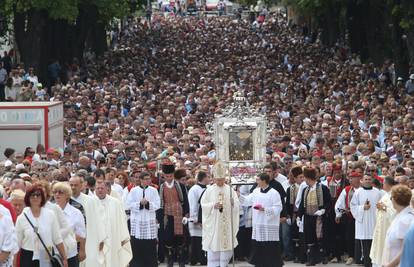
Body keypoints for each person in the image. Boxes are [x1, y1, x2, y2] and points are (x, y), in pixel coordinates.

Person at [15, 184, 69, 267]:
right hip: (28, 255)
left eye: (38, 195)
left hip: (46, 252)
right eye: (32, 195)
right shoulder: (22, 217)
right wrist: (14, 263)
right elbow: (17, 244)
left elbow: (57, 239)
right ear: (28, 198)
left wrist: (64, 258)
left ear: (42, 197)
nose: (35, 197)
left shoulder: (50, 215)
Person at [239, 172, 283, 267]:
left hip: (269, 224)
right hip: (258, 223)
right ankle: (259, 263)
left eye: (258, 180)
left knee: (269, 245)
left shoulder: (274, 193)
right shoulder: (256, 191)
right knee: (258, 244)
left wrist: (265, 209)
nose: (257, 182)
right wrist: (238, 196)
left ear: (264, 181)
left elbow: (278, 207)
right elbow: (247, 201)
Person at [201, 161, 239, 267]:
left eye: (222, 179)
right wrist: (213, 205)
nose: (220, 182)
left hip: (226, 224)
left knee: (225, 247)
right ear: (214, 178)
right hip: (214, 224)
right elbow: (203, 204)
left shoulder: (230, 189)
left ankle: (224, 265)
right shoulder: (209, 190)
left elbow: (236, 205)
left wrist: (233, 204)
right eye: (218, 179)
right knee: (214, 246)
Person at [69, 176, 106, 267]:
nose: (73, 187)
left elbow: (98, 220)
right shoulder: (65, 200)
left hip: (89, 238)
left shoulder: (91, 200)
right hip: (71, 239)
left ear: (82, 185)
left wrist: (101, 238)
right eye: (71, 185)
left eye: (76, 185)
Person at [298, 166, 331, 266]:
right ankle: (312, 259)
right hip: (308, 217)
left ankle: (323, 257)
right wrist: (299, 216)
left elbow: (329, 202)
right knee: (310, 238)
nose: (304, 179)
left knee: (320, 237)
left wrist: (323, 210)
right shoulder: (306, 190)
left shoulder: (323, 188)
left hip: (319, 217)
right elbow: (302, 205)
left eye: (305, 177)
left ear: (308, 177)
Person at [159, 159, 189, 267]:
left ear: (173, 175)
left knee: (180, 238)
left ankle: (181, 261)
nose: (169, 178)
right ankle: (170, 260)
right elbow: (161, 202)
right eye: (167, 176)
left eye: (171, 176)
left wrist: (186, 215)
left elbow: (185, 200)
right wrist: (160, 218)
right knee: (168, 238)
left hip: (179, 213)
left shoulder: (180, 186)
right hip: (168, 214)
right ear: (164, 176)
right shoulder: (162, 187)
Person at [126, 171, 160, 267]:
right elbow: (128, 205)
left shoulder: (154, 190)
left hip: (149, 221)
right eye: (145, 179)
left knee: (150, 246)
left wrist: (148, 204)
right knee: (137, 246)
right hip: (137, 222)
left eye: (149, 178)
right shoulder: (134, 190)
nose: (148, 181)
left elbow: (158, 204)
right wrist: (140, 204)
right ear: (140, 180)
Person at [95, 180, 132, 267]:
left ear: (107, 189)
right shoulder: (90, 203)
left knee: (113, 260)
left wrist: (123, 238)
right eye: (98, 188)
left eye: (102, 188)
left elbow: (122, 221)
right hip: (96, 241)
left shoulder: (116, 203)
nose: (100, 190)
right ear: (95, 190)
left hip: (113, 239)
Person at [350, 175, 383, 267]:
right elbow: (353, 206)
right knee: (365, 246)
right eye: (366, 179)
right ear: (362, 181)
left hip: (374, 221)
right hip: (363, 222)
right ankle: (366, 263)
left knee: (375, 244)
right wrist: (362, 207)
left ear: (372, 180)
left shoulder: (378, 192)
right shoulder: (358, 192)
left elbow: (383, 204)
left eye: (369, 179)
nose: (368, 181)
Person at [53, 182, 86, 267]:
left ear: (67, 195)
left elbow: (82, 235)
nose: (57, 194)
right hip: (53, 254)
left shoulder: (76, 213)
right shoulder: (49, 211)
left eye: (60, 192)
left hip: (70, 254)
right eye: (55, 192)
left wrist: (82, 251)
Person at [334, 171, 362, 265]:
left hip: (362, 218)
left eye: (352, 178)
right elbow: (340, 202)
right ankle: (351, 256)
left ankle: (361, 255)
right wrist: (338, 214)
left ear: (358, 179)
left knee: (361, 237)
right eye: (349, 178)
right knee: (349, 237)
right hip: (350, 217)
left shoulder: (363, 189)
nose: (350, 180)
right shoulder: (347, 189)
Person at [382, 185, 414, 267]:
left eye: (391, 198)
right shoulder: (400, 215)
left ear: (395, 199)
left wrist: (390, 265)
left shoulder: (406, 220)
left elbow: (406, 250)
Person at [370, 177, 397, 267]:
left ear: (388, 184)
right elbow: (381, 208)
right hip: (381, 226)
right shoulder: (385, 195)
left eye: (384, 183)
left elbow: (395, 212)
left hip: (388, 227)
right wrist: (379, 207)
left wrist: (384, 208)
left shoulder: (394, 195)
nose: (383, 185)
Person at [187, 170, 209, 265]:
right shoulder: (194, 189)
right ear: (203, 178)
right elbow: (192, 204)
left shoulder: (208, 188)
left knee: (203, 240)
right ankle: (194, 259)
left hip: (205, 218)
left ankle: (202, 259)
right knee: (195, 240)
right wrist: (195, 218)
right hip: (196, 219)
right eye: (208, 177)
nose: (209, 179)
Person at [285, 165, 305, 263]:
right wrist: (288, 215)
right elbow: (288, 204)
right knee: (295, 236)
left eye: (303, 177)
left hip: (303, 214)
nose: (302, 179)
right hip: (294, 215)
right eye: (300, 177)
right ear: (295, 178)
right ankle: (296, 255)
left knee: (303, 236)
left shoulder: (306, 187)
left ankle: (303, 255)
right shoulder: (290, 189)